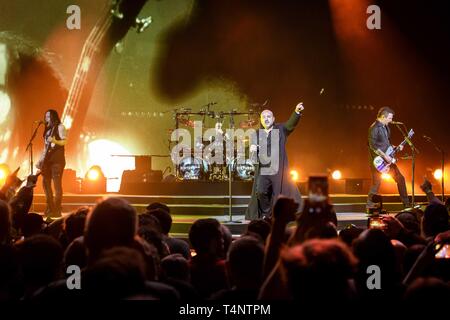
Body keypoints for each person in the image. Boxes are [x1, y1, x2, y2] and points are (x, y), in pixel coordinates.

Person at [246, 102, 304, 220]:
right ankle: (267, 214)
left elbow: (290, 124)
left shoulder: (281, 129)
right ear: (261, 120)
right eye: (263, 117)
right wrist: (252, 150)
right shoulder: (256, 134)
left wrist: (297, 112)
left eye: (268, 117)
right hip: (263, 169)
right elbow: (252, 156)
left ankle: (277, 216)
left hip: (278, 170)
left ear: (273, 119)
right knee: (261, 191)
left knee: (279, 193)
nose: (266, 119)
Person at [367, 107, 410, 210]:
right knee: (376, 184)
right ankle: (369, 205)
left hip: (388, 161)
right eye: (390, 118)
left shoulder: (386, 127)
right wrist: (384, 156)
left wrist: (395, 147)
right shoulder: (374, 128)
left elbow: (386, 144)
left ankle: (406, 204)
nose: (391, 120)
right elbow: (372, 145)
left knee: (400, 178)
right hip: (378, 162)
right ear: (383, 116)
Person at [36, 109, 67, 220]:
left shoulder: (60, 127)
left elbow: (64, 141)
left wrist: (55, 140)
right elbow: (46, 147)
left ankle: (57, 209)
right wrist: (40, 160)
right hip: (47, 161)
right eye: (45, 116)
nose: (46, 118)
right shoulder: (48, 129)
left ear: (53, 117)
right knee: (45, 184)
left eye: (48, 116)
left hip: (57, 161)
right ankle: (50, 207)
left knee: (57, 186)